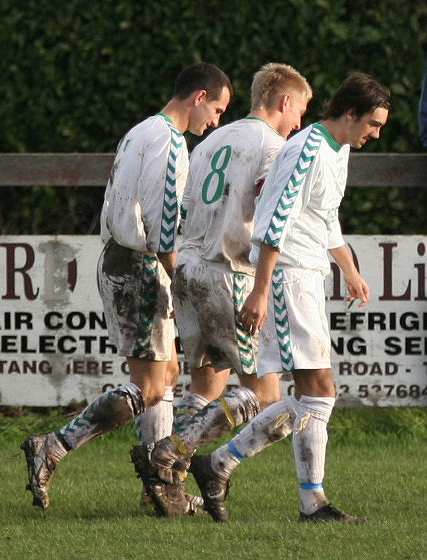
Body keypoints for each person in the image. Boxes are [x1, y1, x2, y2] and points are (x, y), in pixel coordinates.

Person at [20, 62, 232, 512]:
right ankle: (53, 447)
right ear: (198, 97)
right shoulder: (171, 142)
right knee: (153, 386)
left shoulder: (141, 130)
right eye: (216, 108)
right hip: (139, 265)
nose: (215, 121)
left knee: (165, 376)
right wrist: (182, 278)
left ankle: (159, 490)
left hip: (122, 257)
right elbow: (161, 224)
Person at [189, 72, 391, 523]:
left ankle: (217, 463)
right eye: (373, 124)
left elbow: (325, 218)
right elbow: (272, 222)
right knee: (318, 391)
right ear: (351, 113)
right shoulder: (305, 149)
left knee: (307, 396)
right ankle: (311, 503)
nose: (375, 134)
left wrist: (350, 270)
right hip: (286, 279)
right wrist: (260, 290)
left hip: (308, 275)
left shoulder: (337, 151)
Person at [130, 63, 312, 518]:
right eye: (301, 110)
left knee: (206, 384)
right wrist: (264, 286)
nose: (300, 124)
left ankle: (165, 482)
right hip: (229, 272)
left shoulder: (211, 139)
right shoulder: (274, 147)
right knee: (267, 395)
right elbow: (272, 218)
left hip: (188, 267)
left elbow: (185, 206)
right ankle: (169, 452)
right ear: (284, 101)